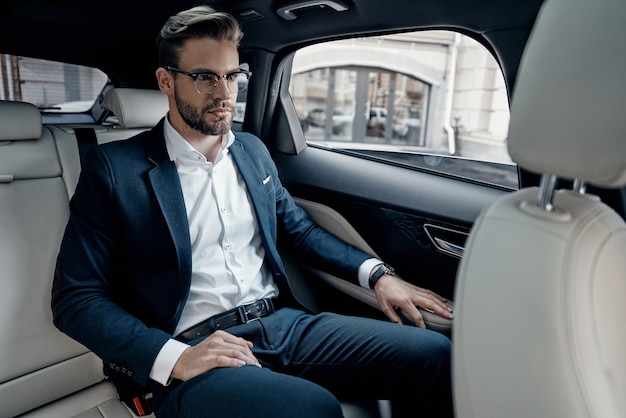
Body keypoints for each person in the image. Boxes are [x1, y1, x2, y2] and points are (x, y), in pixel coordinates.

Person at [52, 5, 454, 417]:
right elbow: (77, 299)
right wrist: (175, 358)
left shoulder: (251, 151)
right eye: (205, 77)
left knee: (433, 353)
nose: (225, 93)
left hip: (283, 323)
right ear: (166, 81)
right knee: (312, 409)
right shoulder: (115, 169)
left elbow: (299, 232)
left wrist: (379, 275)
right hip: (197, 350)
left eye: (232, 76)